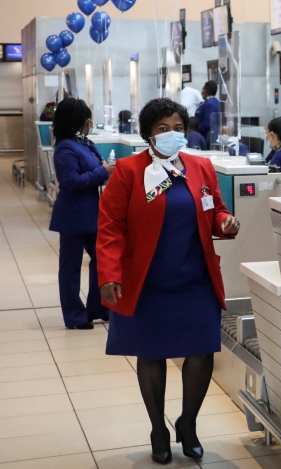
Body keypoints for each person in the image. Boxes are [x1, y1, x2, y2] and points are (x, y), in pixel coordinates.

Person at [97, 98, 240, 465]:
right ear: (148, 133)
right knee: (151, 354)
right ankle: (157, 429)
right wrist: (109, 274)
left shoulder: (200, 167)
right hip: (147, 280)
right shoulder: (129, 171)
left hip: (195, 279)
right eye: (163, 128)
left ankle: (188, 424)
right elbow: (110, 227)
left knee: (201, 353)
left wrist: (225, 221)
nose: (172, 134)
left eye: (178, 127)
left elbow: (215, 208)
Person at [49, 98, 113, 329]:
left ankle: (100, 307)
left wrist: (104, 168)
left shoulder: (83, 143)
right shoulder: (65, 148)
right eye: (87, 118)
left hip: (92, 213)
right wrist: (102, 171)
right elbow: (71, 181)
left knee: (101, 261)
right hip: (73, 216)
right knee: (70, 267)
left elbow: (98, 166)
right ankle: (75, 316)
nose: (90, 122)